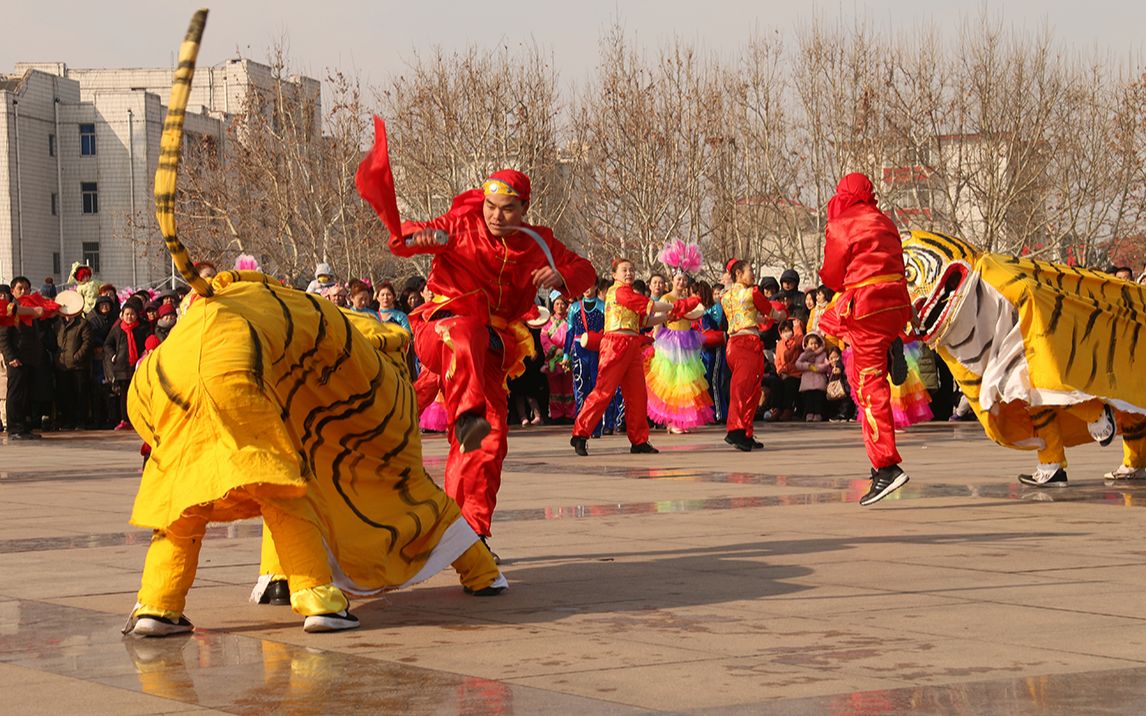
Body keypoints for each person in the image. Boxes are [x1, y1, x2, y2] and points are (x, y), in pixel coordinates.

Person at [390, 169, 595, 553]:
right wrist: (406, 234)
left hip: (489, 349)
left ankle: (469, 536)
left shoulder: (540, 243)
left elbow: (586, 270)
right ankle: (466, 415)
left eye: (506, 209)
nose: (495, 216)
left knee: (490, 440)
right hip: (442, 329)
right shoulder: (461, 226)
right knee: (464, 333)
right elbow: (416, 236)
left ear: (524, 209)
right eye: (489, 206)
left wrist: (561, 275)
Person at [817, 172, 914, 506]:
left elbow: (831, 273)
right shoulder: (886, 222)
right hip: (895, 304)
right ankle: (891, 346)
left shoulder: (842, 223)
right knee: (861, 368)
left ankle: (886, 467)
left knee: (868, 388)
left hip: (867, 308)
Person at [571, 258, 678, 456]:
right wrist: (674, 307)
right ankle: (580, 433)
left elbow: (646, 319)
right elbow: (648, 305)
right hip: (615, 345)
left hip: (631, 345)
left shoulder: (629, 294)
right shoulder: (619, 292)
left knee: (637, 395)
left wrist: (670, 316)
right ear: (614, 275)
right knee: (604, 391)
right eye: (624, 270)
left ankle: (639, 440)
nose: (629, 273)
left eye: (631, 269)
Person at [720, 260, 786, 450]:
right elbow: (771, 312)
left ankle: (745, 431)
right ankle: (736, 430)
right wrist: (781, 315)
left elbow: (749, 315)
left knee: (748, 388)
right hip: (747, 344)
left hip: (733, 344)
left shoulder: (725, 296)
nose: (753, 274)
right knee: (744, 389)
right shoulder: (753, 292)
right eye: (750, 270)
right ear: (739, 274)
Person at [646, 270, 712, 433]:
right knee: (671, 381)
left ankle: (680, 420)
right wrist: (657, 339)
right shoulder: (666, 298)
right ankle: (672, 421)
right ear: (672, 280)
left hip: (687, 342)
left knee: (686, 383)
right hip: (670, 342)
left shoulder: (689, 300)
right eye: (678, 279)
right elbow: (659, 322)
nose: (681, 282)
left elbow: (695, 315)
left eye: (684, 280)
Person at [565, 279, 626, 437]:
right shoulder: (574, 308)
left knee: (599, 389)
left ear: (596, 286)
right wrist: (566, 354)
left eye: (590, 285)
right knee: (580, 390)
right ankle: (582, 426)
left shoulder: (603, 307)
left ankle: (599, 426)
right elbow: (570, 332)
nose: (586, 288)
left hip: (598, 350)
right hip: (579, 351)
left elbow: (609, 330)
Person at [0, 277, 49, 440]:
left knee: (26, 394)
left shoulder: (30, 309)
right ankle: (14, 428)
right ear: (12, 291)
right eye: (19, 288)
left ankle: (24, 427)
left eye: (26, 288)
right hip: (16, 358)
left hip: (30, 358)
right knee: (16, 394)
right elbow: (3, 336)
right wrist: (10, 356)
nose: (23, 291)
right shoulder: (10, 308)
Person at [104, 298, 151, 431]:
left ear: (136, 315)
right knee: (124, 396)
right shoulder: (118, 329)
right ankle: (125, 419)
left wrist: (145, 352)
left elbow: (149, 340)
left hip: (138, 367)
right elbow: (107, 344)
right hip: (122, 367)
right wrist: (114, 355)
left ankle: (139, 419)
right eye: (127, 314)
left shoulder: (142, 327)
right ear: (122, 315)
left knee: (138, 394)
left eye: (132, 314)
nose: (129, 317)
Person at [53, 291, 93, 431]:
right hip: (61, 365)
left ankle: (80, 421)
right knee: (64, 394)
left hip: (78, 366)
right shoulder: (57, 323)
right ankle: (66, 420)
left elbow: (87, 342)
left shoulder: (83, 323)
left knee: (80, 394)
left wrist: (77, 356)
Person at [540, 295, 575, 422]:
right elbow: (544, 340)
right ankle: (557, 414)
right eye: (557, 303)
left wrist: (566, 351)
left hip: (567, 358)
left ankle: (570, 414)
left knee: (569, 387)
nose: (560, 306)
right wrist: (555, 350)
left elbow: (574, 337)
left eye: (562, 304)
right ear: (553, 305)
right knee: (555, 388)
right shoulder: (548, 323)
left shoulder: (571, 322)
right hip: (553, 359)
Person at [796, 332, 830, 422]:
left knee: (818, 399)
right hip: (807, 382)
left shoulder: (823, 354)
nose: (814, 346)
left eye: (815, 343)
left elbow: (826, 365)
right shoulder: (804, 355)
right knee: (808, 400)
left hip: (819, 381)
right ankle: (809, 414)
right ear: (807, 344)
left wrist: (816, 368)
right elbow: (798, 364)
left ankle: (818, 414)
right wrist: (808, 366)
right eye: (811, 343)